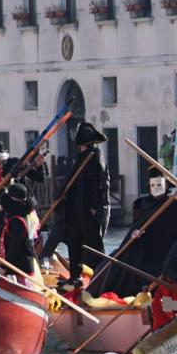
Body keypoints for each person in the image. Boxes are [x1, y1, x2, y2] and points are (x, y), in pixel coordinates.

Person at [55, 123, 109, 286]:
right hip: (76, 209)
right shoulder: (82, 157)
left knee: (93, 244)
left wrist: (93, 207)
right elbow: (74, 181)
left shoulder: (95, 156)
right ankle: (75, 276)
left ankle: (102, 278)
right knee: (74, 241)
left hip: (88, 209)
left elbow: (98, 184)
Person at [0, 182, 38, 279]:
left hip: (20, 270)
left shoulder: (18, 222)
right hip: (16, 267)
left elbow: (14, 248)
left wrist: (5, 267)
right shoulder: (16, 217)